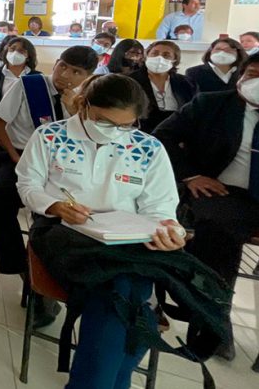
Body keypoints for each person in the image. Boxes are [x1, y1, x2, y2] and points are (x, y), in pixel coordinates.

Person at [17, 74, 216, 389]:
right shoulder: (50, 136)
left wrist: (169, 231)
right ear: (84, 105)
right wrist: (55, 205)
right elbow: (28, 185)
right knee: (126, 294)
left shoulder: (148, 148)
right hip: (63, 233)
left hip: (127, 239)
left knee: (120, 292)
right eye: (105, 121)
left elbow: (162, 209)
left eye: (126, 125)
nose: (116, 132)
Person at [154, 53, 259, 361]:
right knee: (218, 233)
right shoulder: (212, 104)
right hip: (221, 191)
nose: (258, 84)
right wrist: (191, 175)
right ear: (240, 76)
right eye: (252, 74)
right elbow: (162, 136)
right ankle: (213, 318)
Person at [0, 46, 97, 325]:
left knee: (52, 218)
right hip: (21, 157)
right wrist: (14, 157)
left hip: (66, 169)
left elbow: (95, 145)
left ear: (88, 76)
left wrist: (75, 112)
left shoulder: (89, 99)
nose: (66, 76)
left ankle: (48, 283)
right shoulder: (30, 84)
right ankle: (24, 270)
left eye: (76, 72)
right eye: (63, 67)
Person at [128, 41, 195, 133]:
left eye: (166, 55)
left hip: (177, 135)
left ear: (175, 60)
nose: (159, 58)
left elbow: (192, 112)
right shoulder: (130, 80)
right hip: (140, 133)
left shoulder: (186, 83)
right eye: (154, 53)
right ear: (146, 56)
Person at [0, 36, 40, 116]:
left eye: (21, 51)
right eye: (12, 49)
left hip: (27, 123)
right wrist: (1, 113)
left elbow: (41, 102)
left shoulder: (37, 77)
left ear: (28, 56)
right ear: (6, 52)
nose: (15, 53)